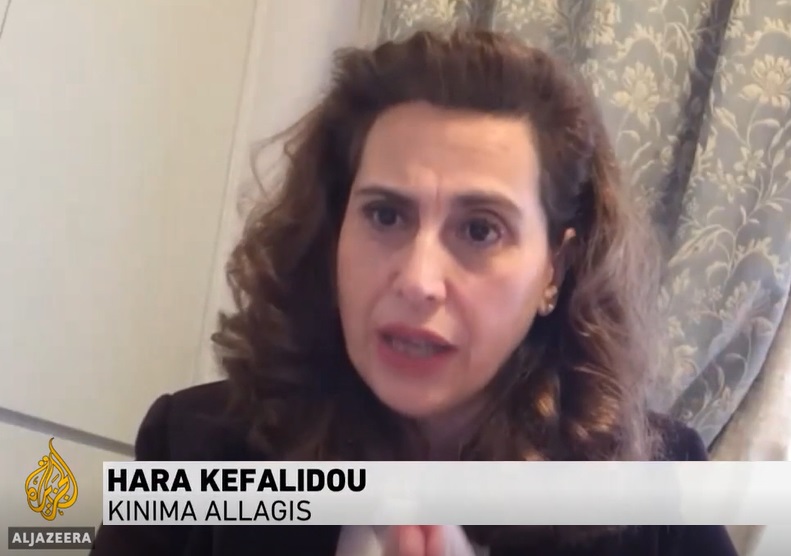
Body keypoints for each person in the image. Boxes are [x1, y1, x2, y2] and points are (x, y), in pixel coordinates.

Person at [90, 28, 738, 556]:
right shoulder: (192, 448)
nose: (418, 281)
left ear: (554, 269)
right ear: (332, 232)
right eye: (385, 215)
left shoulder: (658, 494)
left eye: (479, 229)